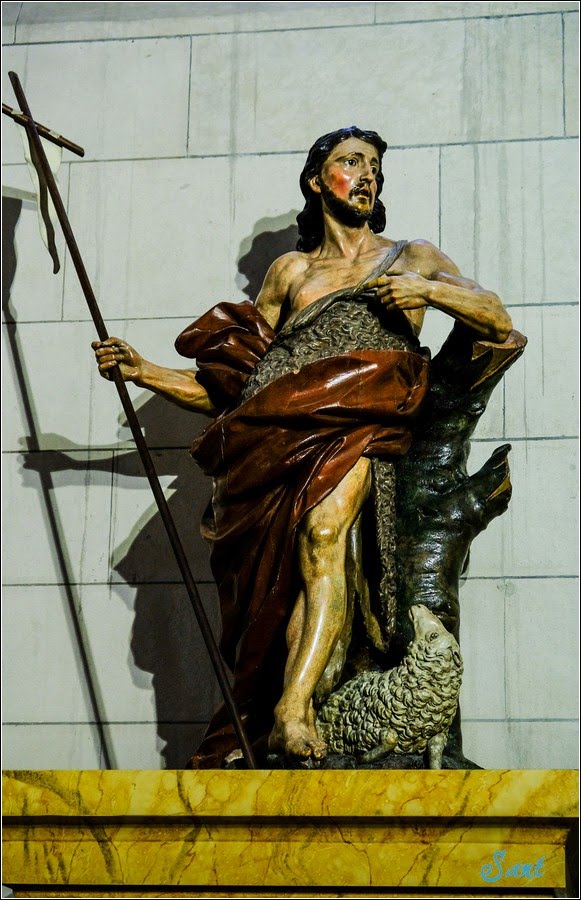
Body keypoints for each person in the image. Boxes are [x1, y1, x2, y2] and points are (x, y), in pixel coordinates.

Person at [93, 126, 512, 767]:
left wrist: (428, 292)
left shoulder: (413, 256)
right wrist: (142, 370)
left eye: (374, 166)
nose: (367, 175)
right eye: (352, 162)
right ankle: (285, 707)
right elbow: (237, 388)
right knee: (281, 583)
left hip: (360, 424)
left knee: (324, 535)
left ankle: (292, 710)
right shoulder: (290, 273)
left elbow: (497, 319)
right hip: (276, 440)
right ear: (318, 181)